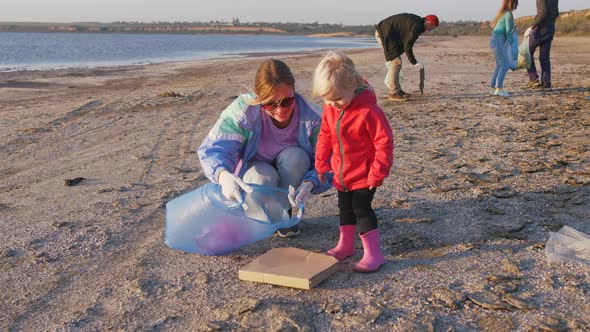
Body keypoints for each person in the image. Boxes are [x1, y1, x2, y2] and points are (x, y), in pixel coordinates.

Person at [198, 59, 332, 238]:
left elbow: (330, 159)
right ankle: (260, 217)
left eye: (287, 102)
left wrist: (312, 182)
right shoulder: (243, 111)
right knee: (263, 176)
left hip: (290, 171)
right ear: (259, 99)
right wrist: (222, 175)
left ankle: (283, 214)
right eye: (270, 104)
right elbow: (214, 148)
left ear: (294, 91)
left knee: (296, 157)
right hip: (256, 172)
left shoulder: (313, 118)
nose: (280, 110)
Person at [312, 51, 394, 272]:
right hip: (341, 173)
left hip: (365, 175)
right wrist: (321, 164)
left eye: (338, 98)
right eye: (327, 99)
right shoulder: (330, 108)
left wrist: (378, 172)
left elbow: (384, 142)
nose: (333, 104)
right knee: (344, 208)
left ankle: (373, 254)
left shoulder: (369, 111)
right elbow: (325, 136)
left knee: (361, 208)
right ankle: (346, 245)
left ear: (354, 84)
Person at [375, 13, 439, 102]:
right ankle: (393, 93)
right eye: (432, 27)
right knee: (396, 62)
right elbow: (408, 45)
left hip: (388, 33)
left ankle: (397, 90)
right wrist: (414, 62)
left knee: (396, 62)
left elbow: (406, 41)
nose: (431, 30)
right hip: (384, 34)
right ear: (429, 22)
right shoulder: (417, 26)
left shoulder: (418, 23)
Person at [489, 0, 519, 97]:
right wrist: (513, 44)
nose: (517, 5)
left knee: (499, 65)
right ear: (513, 3)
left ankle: (493, 88)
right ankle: (499, 89)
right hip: (498, 41)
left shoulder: (504, 13)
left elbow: (507, 29)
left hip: (495, 40)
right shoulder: (508, 14)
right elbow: (508, 32)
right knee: (505, 65)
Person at [527, 0, 559, 89]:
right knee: (544, 57)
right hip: (550, 28)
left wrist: (533, 25)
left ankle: (533, 79)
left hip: (540, 29)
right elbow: (556, 13)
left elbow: (543, 13)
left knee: (526, 52)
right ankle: (546, 83)